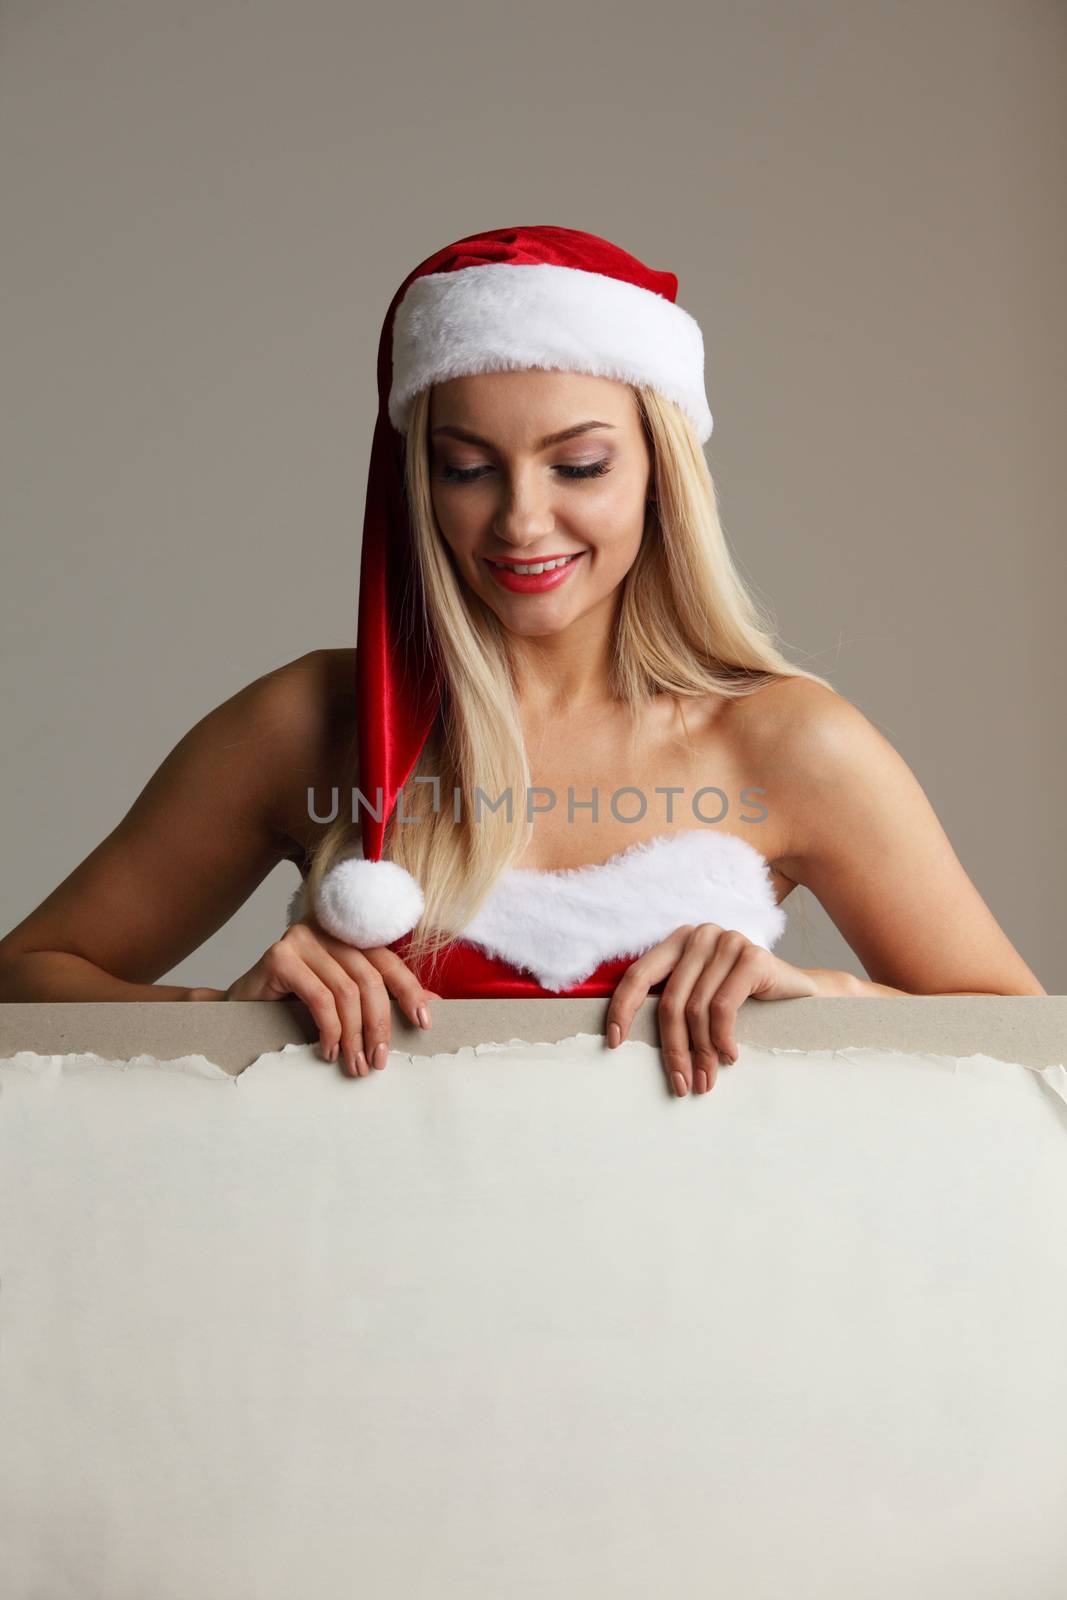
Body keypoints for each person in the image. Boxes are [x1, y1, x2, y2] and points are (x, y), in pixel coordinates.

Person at [0, 225, 1045, 1096]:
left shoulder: (786, 741)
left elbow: (1024, 1042)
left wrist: (821, 1000)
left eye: (578, 463)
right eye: (465, 469)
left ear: (657, 473)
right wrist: (227, 1019)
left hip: (703, 1303)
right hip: (350, 1300)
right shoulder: (311, 722)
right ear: (417, 480)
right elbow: (24, 978)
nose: (520, 521)